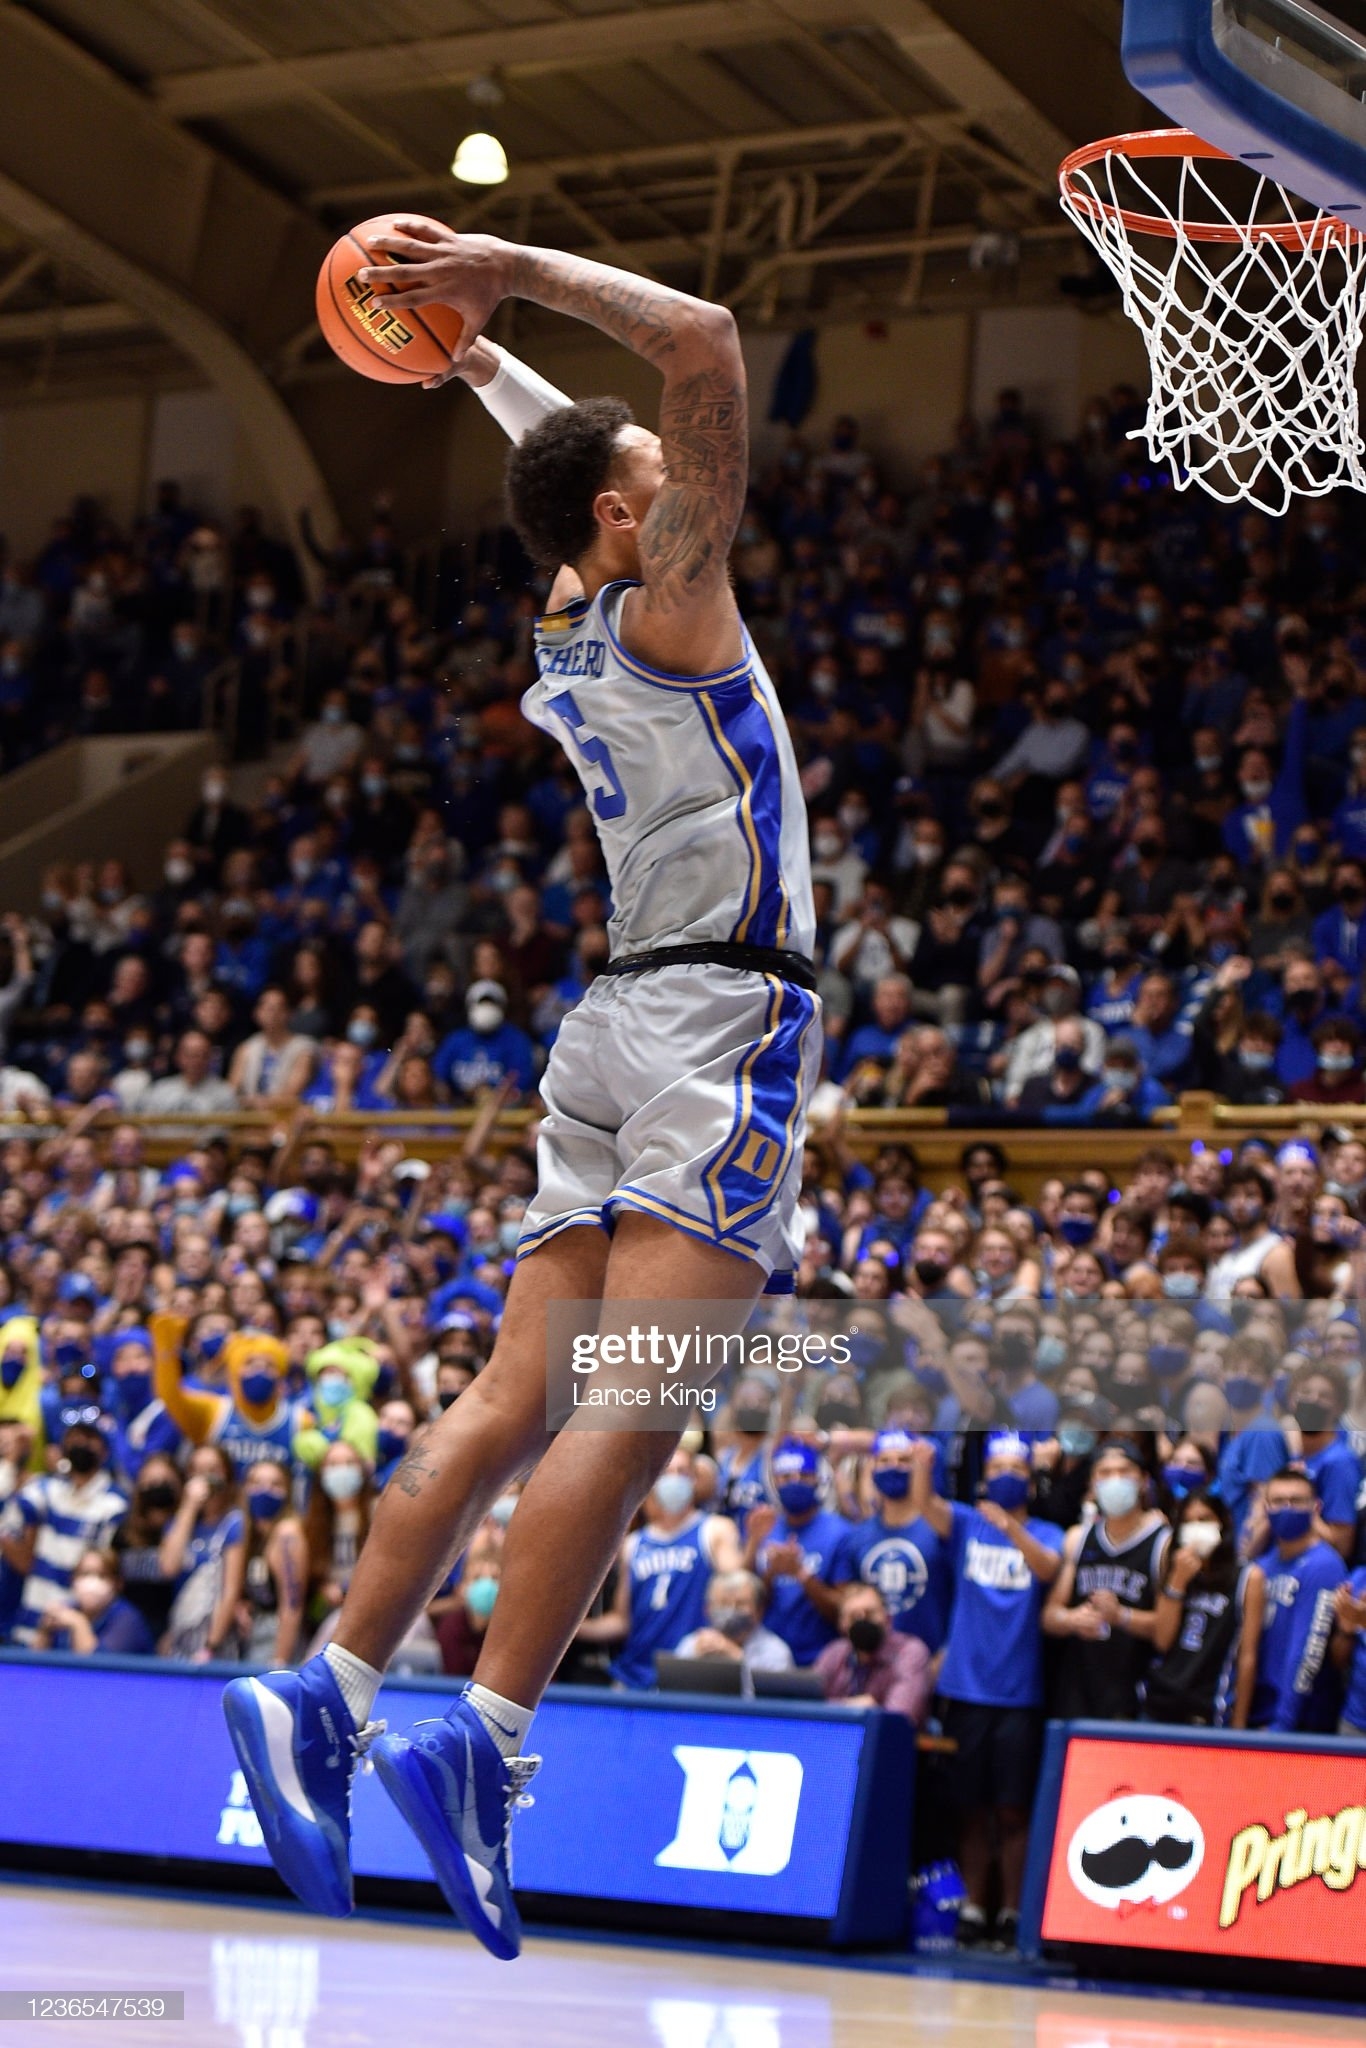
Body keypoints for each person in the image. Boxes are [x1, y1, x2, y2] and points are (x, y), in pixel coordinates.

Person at [224, 231, 819, 1963]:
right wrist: (501, 266)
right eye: (654, 468)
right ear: (639, 525)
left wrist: (478, 363)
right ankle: (477, 1740)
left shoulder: (572, 614)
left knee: (506, 1395)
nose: (667, 453)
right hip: (723, 1018)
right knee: (627, 1416)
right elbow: (702, 339)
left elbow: (572, 466)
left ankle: (327, 1689)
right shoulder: (679, 598)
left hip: (610, 1026)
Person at [910, 1433, 1064, 1953]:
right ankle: (975, 1908)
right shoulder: (966, 1523)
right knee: (971, 1809)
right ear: (983, 1477)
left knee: (1013, 1810)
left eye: (1016, 1469)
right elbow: (924, 1504)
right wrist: (924, 1462)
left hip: (1019, 1693)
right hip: (965, 1691)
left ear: (1030, 1480)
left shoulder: (1046, 1531)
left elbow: (1048, 1568)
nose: (1006, 1476)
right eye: (997, 1467)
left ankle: (1012, 1912)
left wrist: (1012, 1529)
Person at [576, 1450, 742, 1688]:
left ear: (695, 1480)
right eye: (666, 1472)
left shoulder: (714, 1529)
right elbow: (623, 1621)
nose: (673, 1479)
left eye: (682, 1472)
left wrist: (753, 1546)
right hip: (633, 1674)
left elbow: (738, 1587)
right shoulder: (633, 1544)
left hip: (689, 1671)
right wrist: (574, 1631)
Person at [1043, 1441, 1170, 1719]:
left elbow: (1167, 1630)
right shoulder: (1078, 1538)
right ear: (1092, 1484)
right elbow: (1050, 1615)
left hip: (1135, 1694)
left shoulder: (1163, 1543)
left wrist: (1122, 1616)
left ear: (1143, 1480)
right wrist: (1072, 1619)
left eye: (1124, 1471)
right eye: (1105, 1473)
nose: (1115, 1480)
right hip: (1078, 1690)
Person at [1141, 1489, 1263, 1727]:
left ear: (1223, 1523)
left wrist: (1239, 1725)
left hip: (1210, 1706)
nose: (1195, 1528)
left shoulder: (1248, 1578)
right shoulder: (1172, 1567)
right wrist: (1177, 1581)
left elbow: (1247, 1657)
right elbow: (1162, 1640)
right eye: (1187, 1522)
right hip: (1159, 1700)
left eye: (1204, 1519)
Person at [0, 1420, 127, 1645]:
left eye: (89, 1439)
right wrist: (12, 1459)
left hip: (75, 1628)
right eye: (74, 1437)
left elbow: (105, 1567)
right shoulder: (46, 1489)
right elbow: (7, 1499)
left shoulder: (114, 1504)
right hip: (30, 1618)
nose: (80, 1444)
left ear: (104, 1450)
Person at [839, 1425, 953, 1653]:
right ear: (872, 1468)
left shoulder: (941, 1526)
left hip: (936, 1661)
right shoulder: (857, 1536)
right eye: (885, 1460)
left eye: (903, 1460)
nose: (894, 1467)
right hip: (877, 1666)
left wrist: (946, 1658)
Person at [1250, 1466, 1345, 1733]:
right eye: (1278, 1501)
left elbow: (1308, 1651)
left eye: (1297, 1501)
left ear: (1315, 1508)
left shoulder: (1324, 1565)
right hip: (1259, 1710)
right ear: (1266, 1508)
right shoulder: (1264, 1563)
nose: (1287, 1508)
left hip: (1300, 1722)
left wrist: (1282, 1725)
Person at [743, 1438, 853, 1667]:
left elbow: (843, 1609)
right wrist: (770, 1573)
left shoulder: (840, 1532)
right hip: (767, 1659)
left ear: (816, 1480)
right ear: (775, 1482)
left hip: (822, 1659)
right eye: (786, 1477)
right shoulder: (765, 1526)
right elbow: (747, 1600)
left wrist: (801, 1574)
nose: (795, 1482)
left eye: (803, 1476)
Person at [158, 1443, 246, 1662]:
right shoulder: (178, 1522)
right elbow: (169, 1567)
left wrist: (210, 1646)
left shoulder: (234, 1523)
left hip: (214, 1637)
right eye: (197, 1471)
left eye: (212, 1470)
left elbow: (230, 1590)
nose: (204, 1478)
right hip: (180, 1627)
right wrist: (189, 1506)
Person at [813, 1582, 931, 1723]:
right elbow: (809, 1706)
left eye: (870, 1614)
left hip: (888, 1743)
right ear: (842, 1624)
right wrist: (856, 1708)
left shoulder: (910, 1652)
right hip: (837, 1739)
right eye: (853, 1617)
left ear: (887, 1618)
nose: (862, 1621)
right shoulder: (834, 1653)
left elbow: (899, 1717)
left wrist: (865, 1711)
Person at [672, 1567, 794, 1694]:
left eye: (740, 1604)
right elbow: (671, 1696)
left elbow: (776, 1703)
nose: (731, 1610)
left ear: (759, 1611)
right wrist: (692, 1662)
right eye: (723, 1603)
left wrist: (737, 1659)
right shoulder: (691, 1644)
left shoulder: (776, 1652)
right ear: (707, 1610)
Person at [238, 1457, 308, 1667]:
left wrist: (279, 1662)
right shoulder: (251, 1533)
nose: (264, 1490)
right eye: (256, 1483)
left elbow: (292, 1606)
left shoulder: (287, 1533)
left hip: (278, 1639)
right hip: (254, 1634)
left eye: (275, 1484)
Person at [32, 1545, 153, 1655]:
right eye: (85, 1574)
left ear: (118, 1583)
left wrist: (79, 1624)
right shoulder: (67, 1610)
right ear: (73, 1579)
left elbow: (97, 1670)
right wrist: (44, 1632)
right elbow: (35, 1664)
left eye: (101, 1575)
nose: (91, 1583)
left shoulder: (128, 1619)